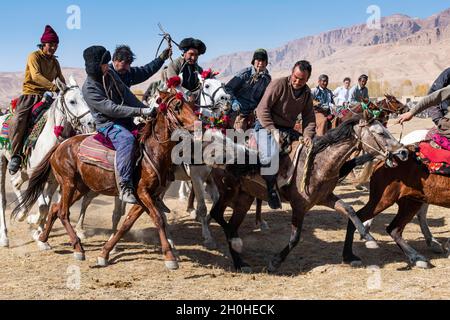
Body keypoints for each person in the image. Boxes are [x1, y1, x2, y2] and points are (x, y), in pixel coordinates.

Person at [82, 46, 154, 204]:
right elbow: (111, 109)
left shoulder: (110, 73)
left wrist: (146, 110)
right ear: (95, 66)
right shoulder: (88, 89)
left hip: (125, 120)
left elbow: (127, 95)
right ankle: (125, 185)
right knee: (127, 140)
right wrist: (140, 112)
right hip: (108, 124)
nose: (108, 66)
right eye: (104, 63)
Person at [255, 60, 316, 209]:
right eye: (295, 77)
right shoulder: (279, 84)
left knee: (309, 150)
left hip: (287, 129)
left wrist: (308, 135)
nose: (297, 81)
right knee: (270, 154)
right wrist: (272, 130)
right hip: (265, 126)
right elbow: (262, 109)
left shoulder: (307, 93)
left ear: (307, 79)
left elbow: (309, 118)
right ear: (291, 72)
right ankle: (271, 189)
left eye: (302, 79)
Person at [8, 25, 65, 175]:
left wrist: (68, 89)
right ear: (43, 44)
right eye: (51, 44)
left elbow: (61, 79)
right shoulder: (33, 56)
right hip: (30, 95)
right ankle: (16, 155)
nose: (53, 47)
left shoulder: (55, 62)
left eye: (56, 45)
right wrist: (54, 87)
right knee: (18, 120)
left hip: (48, 96)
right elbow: (36, 76)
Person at [225, 49, 271, 130]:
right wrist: (233, 101)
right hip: (238, 112)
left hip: (253, 114)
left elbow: (264, 98)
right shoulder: (245, 74)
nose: (260, 63)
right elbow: (228, 88)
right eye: (258, 60)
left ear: (266, 63)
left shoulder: (267, 79)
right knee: (239, 135)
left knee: (263, 133)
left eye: (263, 61)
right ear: (253, 61)